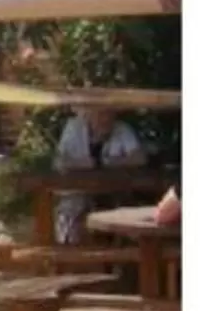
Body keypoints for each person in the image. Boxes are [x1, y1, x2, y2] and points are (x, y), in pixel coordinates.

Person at [51, 103, 147, 242]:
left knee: (124, 209)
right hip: (78, 190)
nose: (106, 119)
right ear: (89, 115)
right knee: (71, 210)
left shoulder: (121, 129)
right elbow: (59, 161)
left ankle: (122, 250)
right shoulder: (74, 127)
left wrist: (112, 162)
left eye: (110, 114)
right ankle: (69, 247)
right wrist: (83, 163)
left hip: (114, 190)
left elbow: (139, 158)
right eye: (100, 114)